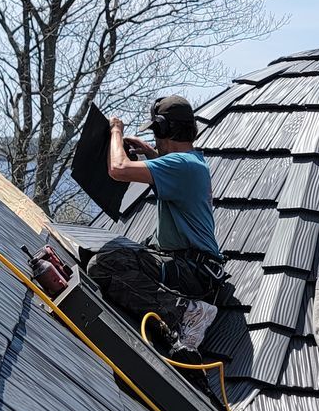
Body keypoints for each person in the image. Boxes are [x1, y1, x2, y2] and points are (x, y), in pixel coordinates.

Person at [88, 95, 227, 357]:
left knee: (105, 263)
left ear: (166, 129)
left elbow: (118, 168)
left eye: (156, 133)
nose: (155, 140)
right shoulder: (191, 163)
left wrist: (116, 130)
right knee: (118, 249)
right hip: (195, 268)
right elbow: (167, 169)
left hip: (191, 272)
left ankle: (187, 312)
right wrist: (149, 152)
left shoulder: (181, 165)